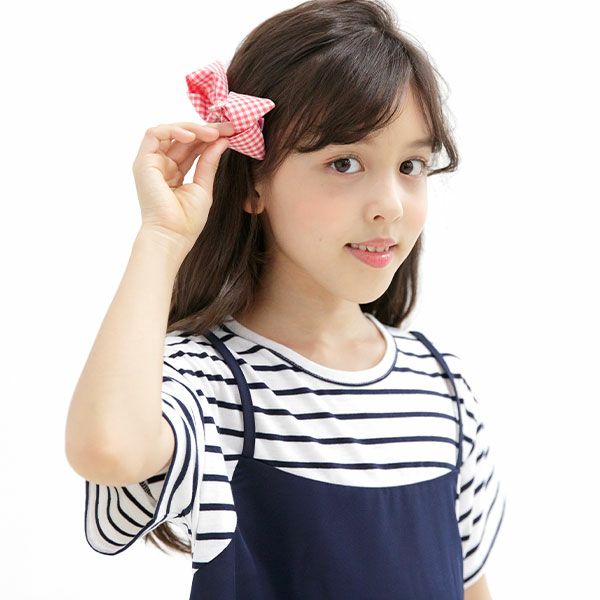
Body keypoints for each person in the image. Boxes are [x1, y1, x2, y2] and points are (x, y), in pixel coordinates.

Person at [65, 0, 507, 598]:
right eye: (344, 163)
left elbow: (472, 586)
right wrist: (162, 238)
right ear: (254, 183)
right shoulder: (210, 381)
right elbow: (108, 449)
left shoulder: (440, 385)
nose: (390, 205)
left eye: (411, 165)